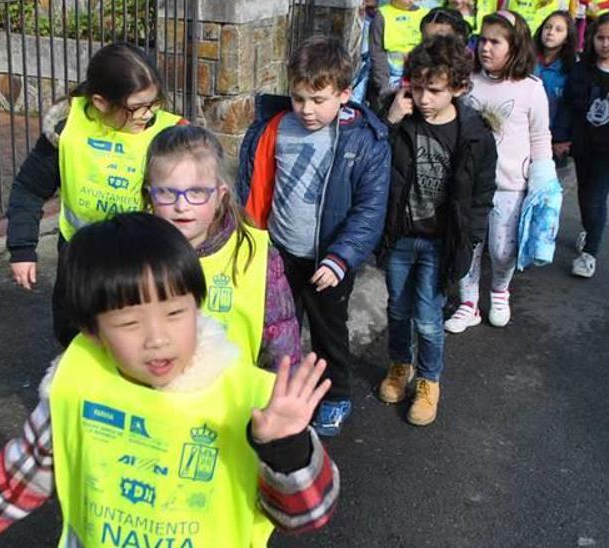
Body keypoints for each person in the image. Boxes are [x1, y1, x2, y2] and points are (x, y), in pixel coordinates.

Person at [0, 213, 339, 548]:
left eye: (174, 312)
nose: (157, 339)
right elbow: (21, 475)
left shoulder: (249, 400)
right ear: (93, 331)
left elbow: (310, 514)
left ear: (198, 306)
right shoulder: (78, 383)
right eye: (129, 323)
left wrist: (286, 449)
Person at [237, 36, 391, 437]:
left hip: (329, 259)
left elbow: (369, 210)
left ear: (344, 93)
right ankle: (277, 394)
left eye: (318, 100)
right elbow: (255, 186)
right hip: (280, 252)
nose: (306, 110)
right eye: (299, 98)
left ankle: (335, 394)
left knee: (329, 333)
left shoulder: (365, 139)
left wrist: (341, 258)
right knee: (275, 331)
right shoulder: (273, 127)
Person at [4, 42, 185, 346]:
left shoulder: (169, 135)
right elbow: (29, 189)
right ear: (101, 102)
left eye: (155, 102)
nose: (149, 113)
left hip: (140, 268)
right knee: (75, 338)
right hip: (80, 263)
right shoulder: (68, 132)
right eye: (137, 107)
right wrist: (21, 249)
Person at [379, 35, 497, 426]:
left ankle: (429, 381)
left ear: (459, 88)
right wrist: (390, 120)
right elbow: (368, 157)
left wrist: (471, 239)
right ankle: (401, 365)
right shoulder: (398, 118)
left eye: (435, 90)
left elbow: (481, 194)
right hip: (401, 234)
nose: (424, 98)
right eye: (417, 87)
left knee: (428, 316)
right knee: (397, 307)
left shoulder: (475, 134)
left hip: (439, 241)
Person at [142, 125, 301, 370]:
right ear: (149, 195)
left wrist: (279, 397)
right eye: (166, 192)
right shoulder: (135, 253)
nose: (181, 206)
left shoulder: (256, 257)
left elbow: (281, 340)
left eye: (196, 192)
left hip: (232, 403)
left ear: (220, 195)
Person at [444, 10, 552, 332]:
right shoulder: (468, 84)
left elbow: (539, 136)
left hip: (509, 184)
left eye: (495, 42)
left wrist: (542, 182)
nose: (485, 48)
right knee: (469, 244)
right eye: (483, 40)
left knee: (502, 248)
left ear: (515, 47)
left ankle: (500, 291)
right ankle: (468, 303)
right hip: (470, 184)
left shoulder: (531, 89)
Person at [554, 12, 609, 278]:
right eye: (600, 37)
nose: (605, 43)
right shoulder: (582, 69)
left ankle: (590, 252)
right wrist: (562, 137)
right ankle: (590, 231)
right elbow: (568, 104)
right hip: (583, 144)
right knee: (585, 196)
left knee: (595, 198)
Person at [370, 0, 433, 107]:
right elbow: (377, 54)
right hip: (392, 77)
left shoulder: (426, 14)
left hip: (419, 76)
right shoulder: (382, 15)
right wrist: (383, 87)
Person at [536, 10, 577, 162]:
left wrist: (562, 138)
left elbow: (571, 107)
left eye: (558, 30)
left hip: (553, 139)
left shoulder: (571, 69)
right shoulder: (526, 61)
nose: (550, 32)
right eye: (548, 27)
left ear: (567, 38)